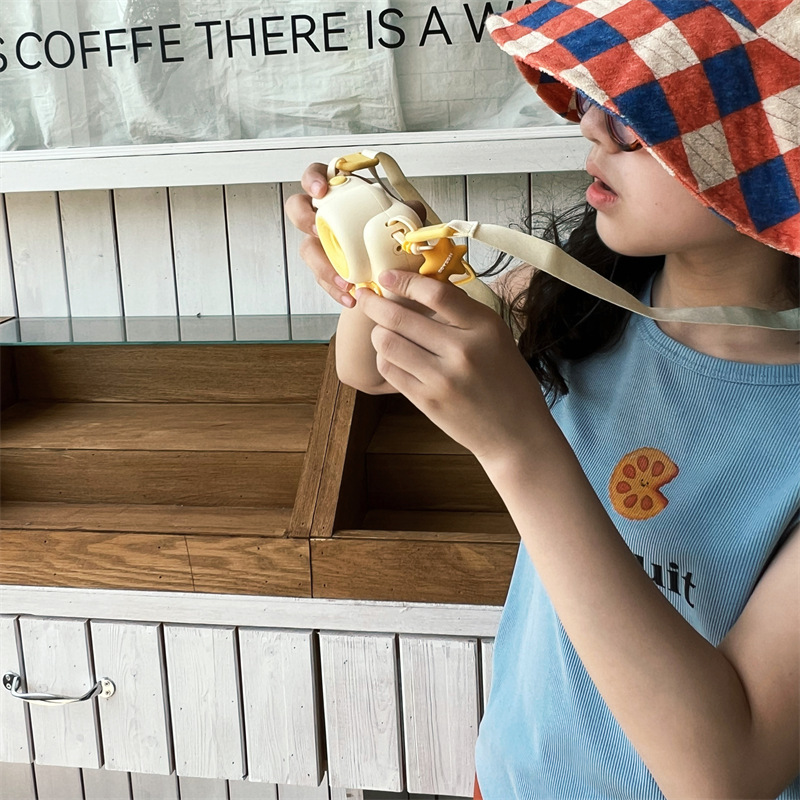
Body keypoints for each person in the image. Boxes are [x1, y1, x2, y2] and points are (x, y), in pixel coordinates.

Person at [285, 0, 800, 796]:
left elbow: (724, 775)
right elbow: (368, 371)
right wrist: (380, 255)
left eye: (637, 115)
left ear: (767, 160)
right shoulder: (580, 293)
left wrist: (518, 447)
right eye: (597, 97)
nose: (590, 124)